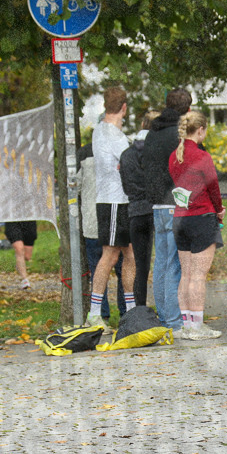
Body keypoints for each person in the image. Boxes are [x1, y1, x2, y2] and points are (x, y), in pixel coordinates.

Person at [169, 110, 225, 340]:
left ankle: (186, 324)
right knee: (199, 276)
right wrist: (219, 210)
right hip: (202, 216)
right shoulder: (202, 156)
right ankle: (198, 326)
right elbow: (213, 188)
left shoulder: (175, 156)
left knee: (186, 274)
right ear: (200, 130)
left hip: (180, 218)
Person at [142, 88, 192, 335]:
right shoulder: (179, 135)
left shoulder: (152, 133)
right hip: (175, 203)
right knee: (173, 264)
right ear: (189, 109)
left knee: (161, 264)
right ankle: (173, 321)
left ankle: (164, 315)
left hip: (156, 204)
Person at [86, 86, 135, 328]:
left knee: (131, 254)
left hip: (114, 199)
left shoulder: (100, 130)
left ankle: (132, 308)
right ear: (124, 108)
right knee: (110, 255)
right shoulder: (114, 136)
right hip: (115, 201)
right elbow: (132, 164)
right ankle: (95, 312)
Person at [119, 110, 159, 308]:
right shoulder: (159, 152)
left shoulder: (126, 155)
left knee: (139, 264)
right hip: (156, 208)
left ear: (143, 124)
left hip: (135, 209)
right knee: (163, 262)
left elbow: (125, 185)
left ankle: (139, 308)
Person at [78, 142, 113, 321]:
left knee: (96, 269)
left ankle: (101, 314)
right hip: (114, 221)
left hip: (91, 223)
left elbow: (74, 186)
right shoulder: (118, 149)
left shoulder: (82, 155)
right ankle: (127, 312)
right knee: (123, 269)